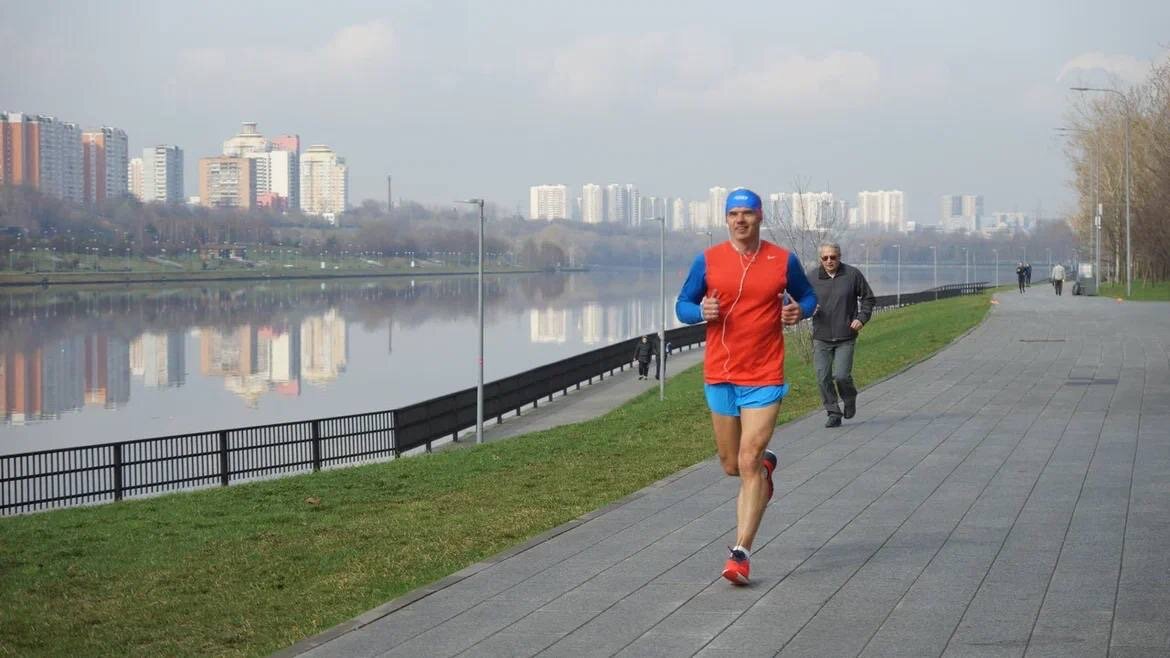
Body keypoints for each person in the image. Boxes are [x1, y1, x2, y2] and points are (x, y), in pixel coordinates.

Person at [676, 188, 817, 585]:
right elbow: (682, 305)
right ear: (726, 220)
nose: (741, 220)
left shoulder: (782, 260)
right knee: (731, 465)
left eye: (748, 213)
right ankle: (764, 470)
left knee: (748, 459)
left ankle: (741, 553)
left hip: (765, 374)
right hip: (720, 373)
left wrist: (798, 310)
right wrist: (698, 311)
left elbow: (807, 297)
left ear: (760, 217)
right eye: (733, 214)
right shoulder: (708, 261)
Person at [808, 242, 876, 428]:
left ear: (839, 256)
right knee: (822, 377)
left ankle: (849, 397)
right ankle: (833, 413)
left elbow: (868, 298)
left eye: (833, 257)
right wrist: (809, 308)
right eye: (825, 258)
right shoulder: (812, 277)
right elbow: (803, 299)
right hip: (821, 336)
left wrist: (861, 318)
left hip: (846, 335)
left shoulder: (852, 274)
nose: (829, 261)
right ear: (820, 259)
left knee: (841, 376)